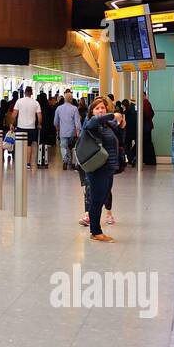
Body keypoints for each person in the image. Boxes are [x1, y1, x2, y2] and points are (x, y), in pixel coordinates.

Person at [78, 97, 124, 242]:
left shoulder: (106, 125)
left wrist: (120, 120)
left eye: (103, 108)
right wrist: (112, 115)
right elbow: (93, 122)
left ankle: (96, 230)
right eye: (97, 108)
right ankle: (96, 231)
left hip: (108, 167)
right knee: (96, 199)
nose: (100, 110)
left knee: (102, 197)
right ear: (91, 111)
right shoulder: (90, 122)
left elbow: (118, 125)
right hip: (97, 167)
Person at [12, 86, 43, 169]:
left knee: (19, 144)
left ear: (25, 92)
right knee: (29, 145)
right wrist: (39, 124)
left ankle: (20, 161)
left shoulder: (19, 101)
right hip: (31, 127)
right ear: (31, 93)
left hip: (20, 127)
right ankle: (28, 163)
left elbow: (14, 114)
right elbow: (39, 116)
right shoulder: (36, 103)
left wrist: (12, 124)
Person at [54, 90, 81, 170]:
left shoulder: (59, 108)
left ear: (64, 99)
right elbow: (77, 121)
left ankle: (65, 160)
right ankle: (74, 163)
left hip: (63, 131)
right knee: (74, 148)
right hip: (72, 132)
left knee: (63, 146)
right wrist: (78, 131)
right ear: (71, 99)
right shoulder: (75, 108)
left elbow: (55, 121)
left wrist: (57, 128)